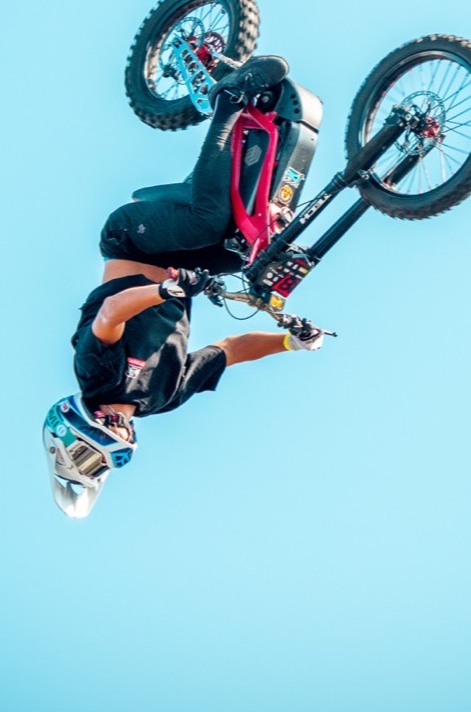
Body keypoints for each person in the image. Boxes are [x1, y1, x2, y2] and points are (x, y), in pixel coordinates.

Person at [44, 55, 324, 516]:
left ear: (74, 433)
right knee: (247, 251)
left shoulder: (96, 378)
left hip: (133, 242)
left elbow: (112, 313)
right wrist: (290, 342)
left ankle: (229, 100)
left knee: (206, 222)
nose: (106, 455)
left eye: (89, 458)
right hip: (181, 264)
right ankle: (261, 134)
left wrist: (166, 291)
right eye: (100, 466)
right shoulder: (162, 398)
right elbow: (230, 350)